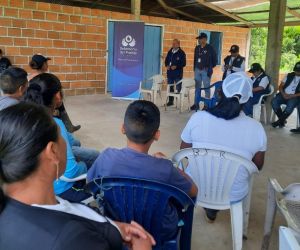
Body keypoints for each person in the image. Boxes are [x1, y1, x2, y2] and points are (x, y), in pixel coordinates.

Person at [0, 103, 155, 250]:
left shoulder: (24, 203)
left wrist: (114, 227)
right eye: (62, 136)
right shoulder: (71, 239)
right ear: (52, 151)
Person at [87, 100, 198, 240]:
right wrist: (172, 165)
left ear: (123, 128)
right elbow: (193, 191)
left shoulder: (106, 157)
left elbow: (91, 184)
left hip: (117, 225)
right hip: (159, 231)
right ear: (157, 135)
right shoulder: (165, 169)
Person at [181, 72, 267, 222]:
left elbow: (184, 152)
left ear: (219, 92)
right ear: (247, 100)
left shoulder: (198, 118)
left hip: (196, 187)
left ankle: (207, 207)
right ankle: (213, 208)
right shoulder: (257, 128)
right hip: (233, 194)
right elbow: (257, 166)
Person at [23, 73, 99, 202]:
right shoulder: (54, 124)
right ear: (57, 96)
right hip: (61, 190)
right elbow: (71, 172)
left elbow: (72, 141)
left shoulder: (23, 118)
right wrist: (83, 166)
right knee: (100, 171)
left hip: (34, 188)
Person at [28, 54, 81, 133]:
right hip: (46, 104)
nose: (47, 65)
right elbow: (57, 98)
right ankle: (67, 127)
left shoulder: (28, 77)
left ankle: (68, 127)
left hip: (32, 103)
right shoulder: (47, 78)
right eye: (46, 63)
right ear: (43, 65)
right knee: (59, 103)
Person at [191, 32, 217, 111]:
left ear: (204, 39)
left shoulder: (210, 48)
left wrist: (208, 67)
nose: (199, 40)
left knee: (207, 88)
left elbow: (215, 60)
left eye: (200, 39)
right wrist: (195, 68)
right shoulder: (197, 48)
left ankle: (206, 105)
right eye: (199, 39)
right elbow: (195, 59)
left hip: (206, 71)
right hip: (197, 70)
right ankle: (196, 104)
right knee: (197, 87)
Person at [271, 61, 300, 128]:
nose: (297, 72)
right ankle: (282, 120)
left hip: (295, 96)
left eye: (299, 71)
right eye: (296, 70)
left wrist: (292, 95)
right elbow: (280, 86)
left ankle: (279, 122)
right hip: (284, 94)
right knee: (274, 102)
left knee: (291, 104)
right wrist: (283, 94)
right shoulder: (289, 75)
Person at [164, 39, 186, 106]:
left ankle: (180, 103)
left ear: (178, 44)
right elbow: (166, 60)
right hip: (170, 73)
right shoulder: (170, 51)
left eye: (174, 44)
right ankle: (171, 101)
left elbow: (184, 63)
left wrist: (176, 66)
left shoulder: (182, 53)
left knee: (178, 88)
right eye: (172, 44)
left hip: (177, 74)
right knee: (170, 88)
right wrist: (167, 65)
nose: (173, 45)